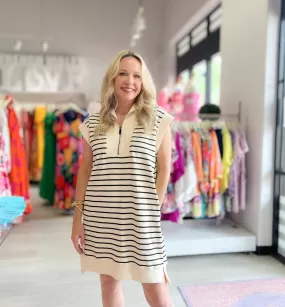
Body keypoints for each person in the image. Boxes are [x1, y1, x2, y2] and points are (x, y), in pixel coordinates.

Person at [71, 50, 174, 307]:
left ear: (144, 81)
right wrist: (77, 221)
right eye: (123, 73)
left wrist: (153, 208)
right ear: (112, 78)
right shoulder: (92, 123)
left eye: (137, 76)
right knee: (108, 284)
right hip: (101, 219)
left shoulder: (158, 119)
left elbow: (165, 168)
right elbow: (85, 171)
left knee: (155, 287)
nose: (130, 81)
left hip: (141, 217)